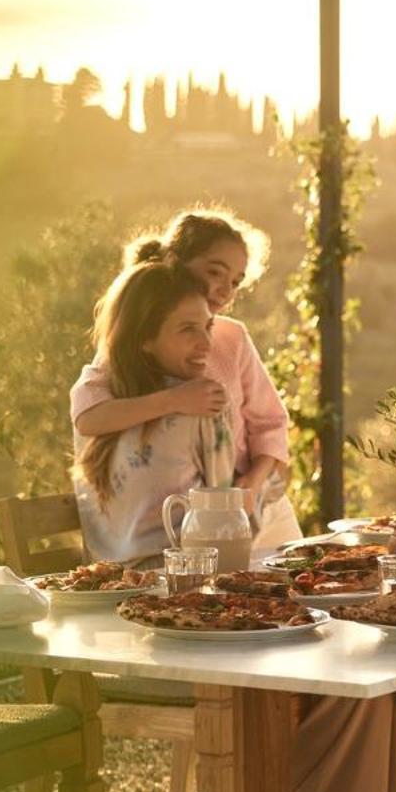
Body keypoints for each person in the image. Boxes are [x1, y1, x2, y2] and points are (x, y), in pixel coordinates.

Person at [69, 212, 396, 792]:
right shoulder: (128, 376)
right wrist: (182, 413)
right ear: (175, 273)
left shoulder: (224, 347)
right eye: (214, 276)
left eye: (234, 284)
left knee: (376, 653)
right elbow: (93, 423)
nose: (220, 303)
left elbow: (266, 435)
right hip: (176, 590)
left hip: (235, 551)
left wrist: (241, 498)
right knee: (346, 657)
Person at [72, 210, 299, 564]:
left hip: (255, 504)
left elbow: (270, 423)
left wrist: (253, 483)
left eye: (236, 281)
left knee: (292, 588)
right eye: (215, 272)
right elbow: (87, 416)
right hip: (191, 521)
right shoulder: (138, 335)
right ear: (176, 263)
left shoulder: (232, 337)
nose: (225, 289)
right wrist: (175, 400)